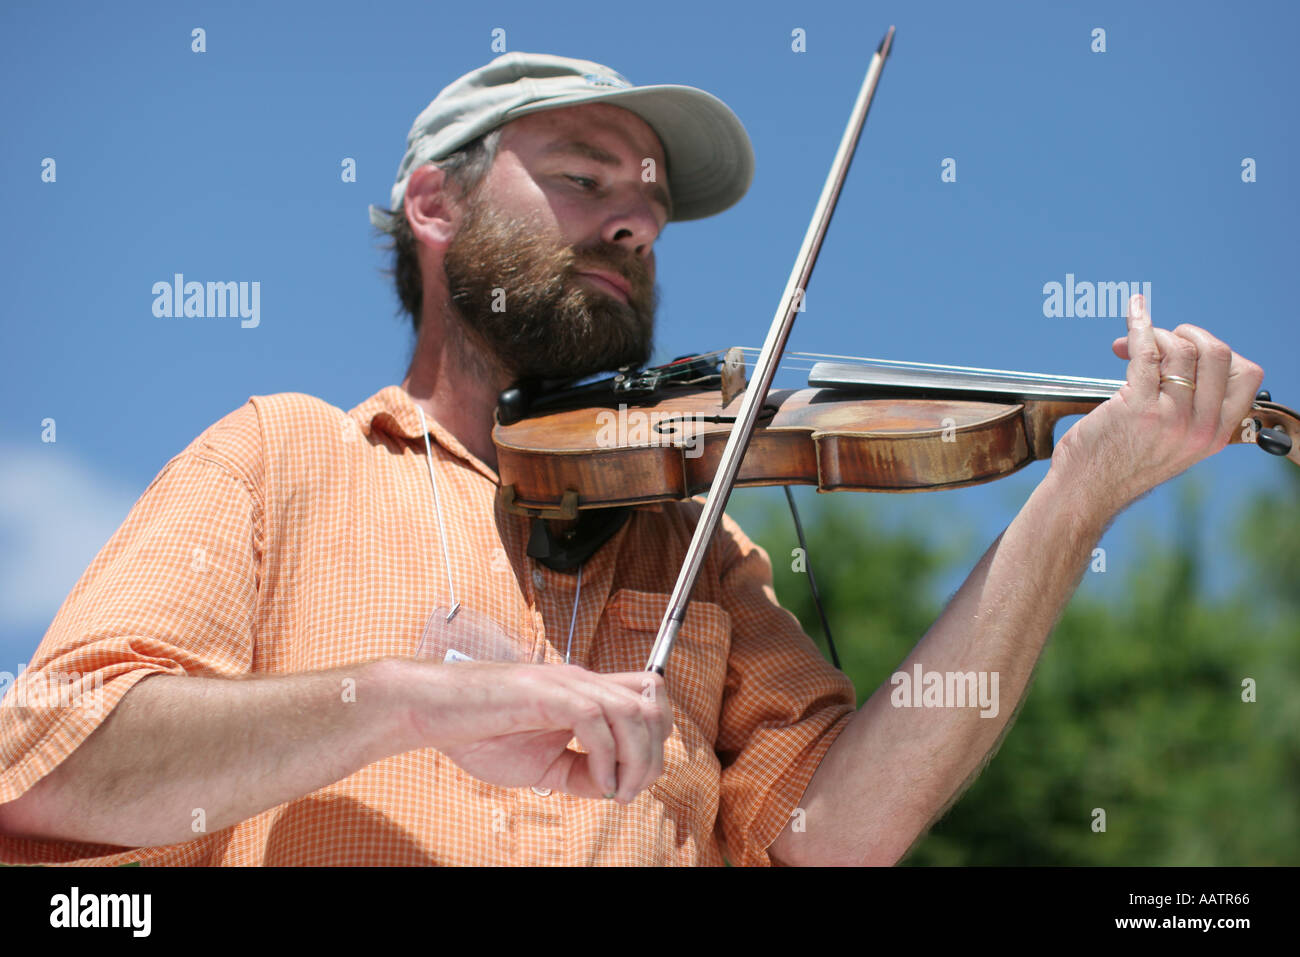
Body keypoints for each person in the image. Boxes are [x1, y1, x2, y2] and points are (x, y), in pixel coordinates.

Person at [0, 52, 1265, 867]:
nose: (637, 220)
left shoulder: (699, 543)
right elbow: (51, 762)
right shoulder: (283, 455)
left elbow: (836, 837)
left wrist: (1076, 493)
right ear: (434, 207)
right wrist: (410, 702)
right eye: (584, 177)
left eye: (651, 203)